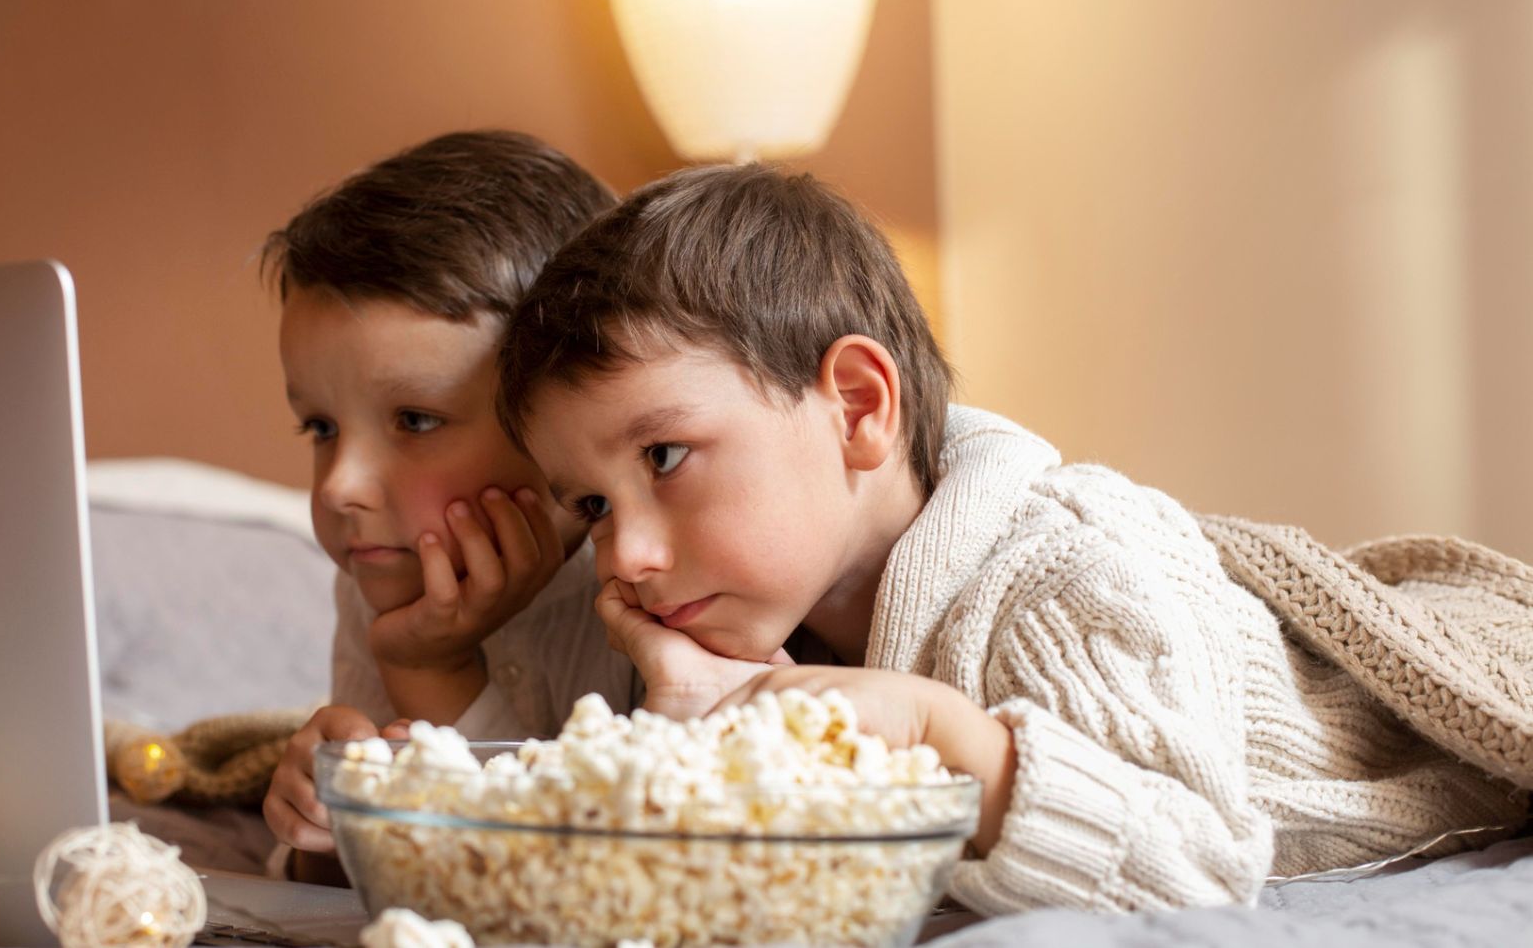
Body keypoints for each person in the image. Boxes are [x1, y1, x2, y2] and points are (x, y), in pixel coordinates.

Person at [492, 163, 1526, 914]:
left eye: (665, 456)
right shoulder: (748, 622)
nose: (623, 554)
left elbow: (1200, 869)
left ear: (857, 408)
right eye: (589, 505)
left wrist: (943, 734)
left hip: (1367, 730)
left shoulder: (1063, 577)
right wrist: (692, 703)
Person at [258, 131, 635, 878]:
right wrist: (330, 829)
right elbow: (395, 885)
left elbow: (575, 884)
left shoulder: (644, 583)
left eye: (416, 421)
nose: (339, 485)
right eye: (321, 428)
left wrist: (428, 667)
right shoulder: (383, 573)